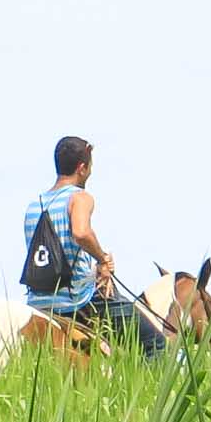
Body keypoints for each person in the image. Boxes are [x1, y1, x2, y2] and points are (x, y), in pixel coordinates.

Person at [21, 134, 165, 357]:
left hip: (37, 301)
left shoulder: (33, 206)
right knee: (155, 344)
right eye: (89, 167)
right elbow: (81, 233)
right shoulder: (80, 197)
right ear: (82, 168)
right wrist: (102, 259)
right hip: (78, 299)